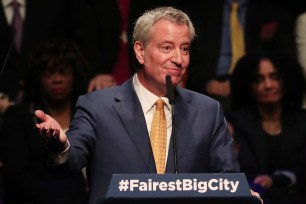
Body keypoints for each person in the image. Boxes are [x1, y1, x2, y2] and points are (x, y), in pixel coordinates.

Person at [33, 7, 261, 204]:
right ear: (140, 51)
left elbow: (228, 180)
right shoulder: (97, 106)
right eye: (167, 47)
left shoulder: (208, 111)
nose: (179, 59)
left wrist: (242, 195)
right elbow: (70, 162)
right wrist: (61, 145)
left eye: (184, 48)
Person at [0, 40, 90, 204]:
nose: (57, 79)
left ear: (74, 74)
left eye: (63, 72)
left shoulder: (90, 111)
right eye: (49, 73)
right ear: (37, 77)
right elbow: (15, 177)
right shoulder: (20, 116)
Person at [177, 0, 296, 109]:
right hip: (210, 86)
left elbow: (285, 60)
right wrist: (208, 84)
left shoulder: (272, 12)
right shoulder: (198, 10)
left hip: (256, 86)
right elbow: (188, 54)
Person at [229, 53, 306, 204]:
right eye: (259, 79)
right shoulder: (236, 122)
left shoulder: (302, 121)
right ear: (249, 86)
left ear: (286, 80)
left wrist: (277, 180)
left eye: (275, 77)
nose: (268, 85)